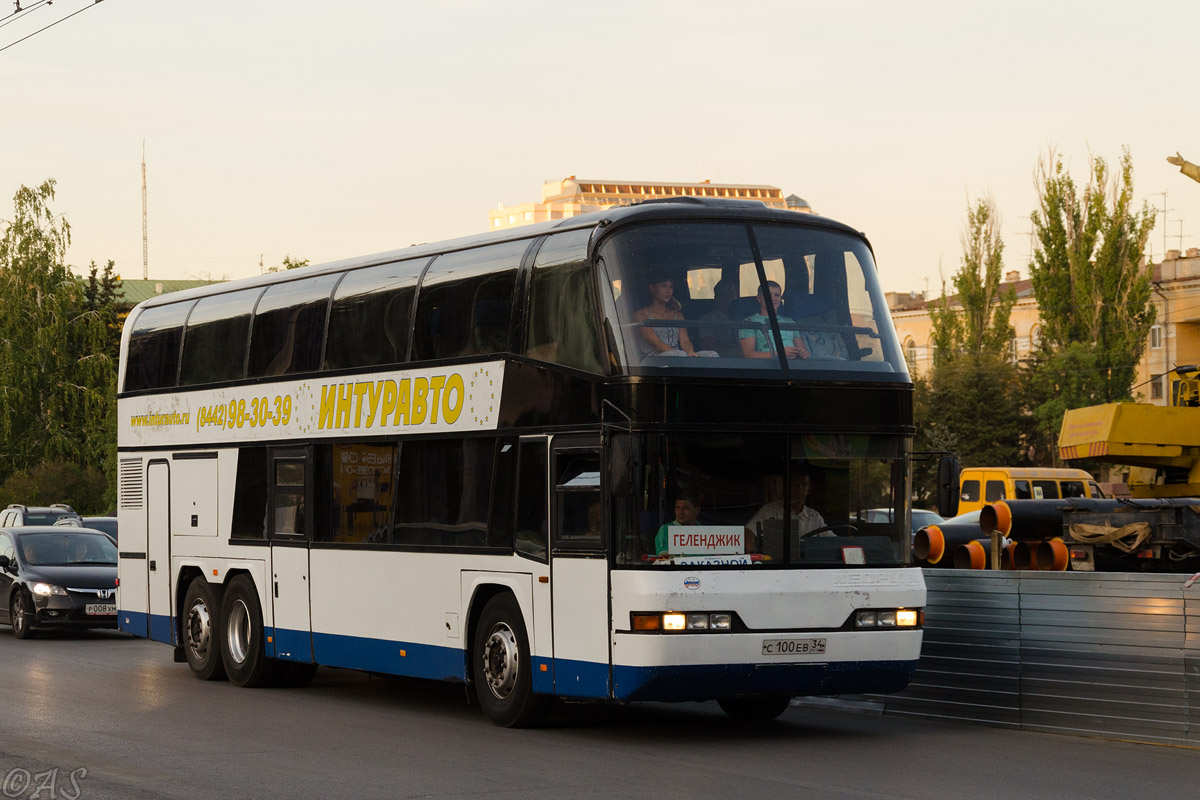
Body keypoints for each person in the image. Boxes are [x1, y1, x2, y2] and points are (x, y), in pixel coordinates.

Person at [745, 468, 831, 554]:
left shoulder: (815, 517)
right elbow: (748, 532)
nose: (799, 488)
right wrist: (753, 558)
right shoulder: (770, 510)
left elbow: (832, 540)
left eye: (803, 484)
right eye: (795, 484)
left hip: (807, 565)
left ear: (809, 489)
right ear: (787, 487)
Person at [633, 276, 718, 359]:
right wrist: (681, 356)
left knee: (712, 355)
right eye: (663, 286)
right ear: (652, 288)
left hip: (678, 357)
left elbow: (685, 341)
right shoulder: (640, 315)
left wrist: (690, 352)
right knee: (679, 355)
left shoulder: (678, 316)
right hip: (653, 360)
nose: (668, 291)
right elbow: (656, 344)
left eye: (671, 287)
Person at [739, 281, 809, 359]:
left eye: (777, 295)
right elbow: (748, 355)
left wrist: (804, 353)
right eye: (768, 295)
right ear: (759, 298)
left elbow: (803, 351)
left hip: (793, 366)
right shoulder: (749, 322)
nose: (773, 298)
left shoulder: (790, 322)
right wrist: (780, 353)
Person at [698, 279, 741, 357]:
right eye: (725, 295)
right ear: (716, 298)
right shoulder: (707, 319)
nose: (730, 299)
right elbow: (710, 347)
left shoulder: (741, 318)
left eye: (732, 295)